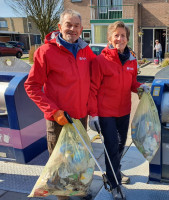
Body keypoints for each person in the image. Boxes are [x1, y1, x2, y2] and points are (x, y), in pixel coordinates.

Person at [24, 9, 96, 200]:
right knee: (60, 164)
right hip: (59, 120)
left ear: (81, 29)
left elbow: (99, 72)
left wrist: (118, 52)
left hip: (80, 117)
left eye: (76, 26)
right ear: (59, 27)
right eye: (68, 25)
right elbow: (31, 86)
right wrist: (54, 112)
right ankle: (62, 197)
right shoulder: (45, 52)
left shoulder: (85, 50)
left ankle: (78, 190)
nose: (72, 29)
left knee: (78, 160)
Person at [88, 21, 150, 200]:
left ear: (127, 38)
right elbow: (92, 89)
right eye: (116, 35)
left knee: (121, 145)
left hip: (124, 111)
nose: (120, 38)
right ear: (109, 38)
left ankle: (116, 171)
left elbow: (131, 84)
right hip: (106, 113)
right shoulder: (101, 60)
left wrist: (140, 87)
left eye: (123, 35)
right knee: (111, 147)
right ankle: (115, 185)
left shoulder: (131, 60)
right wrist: (93, 114)